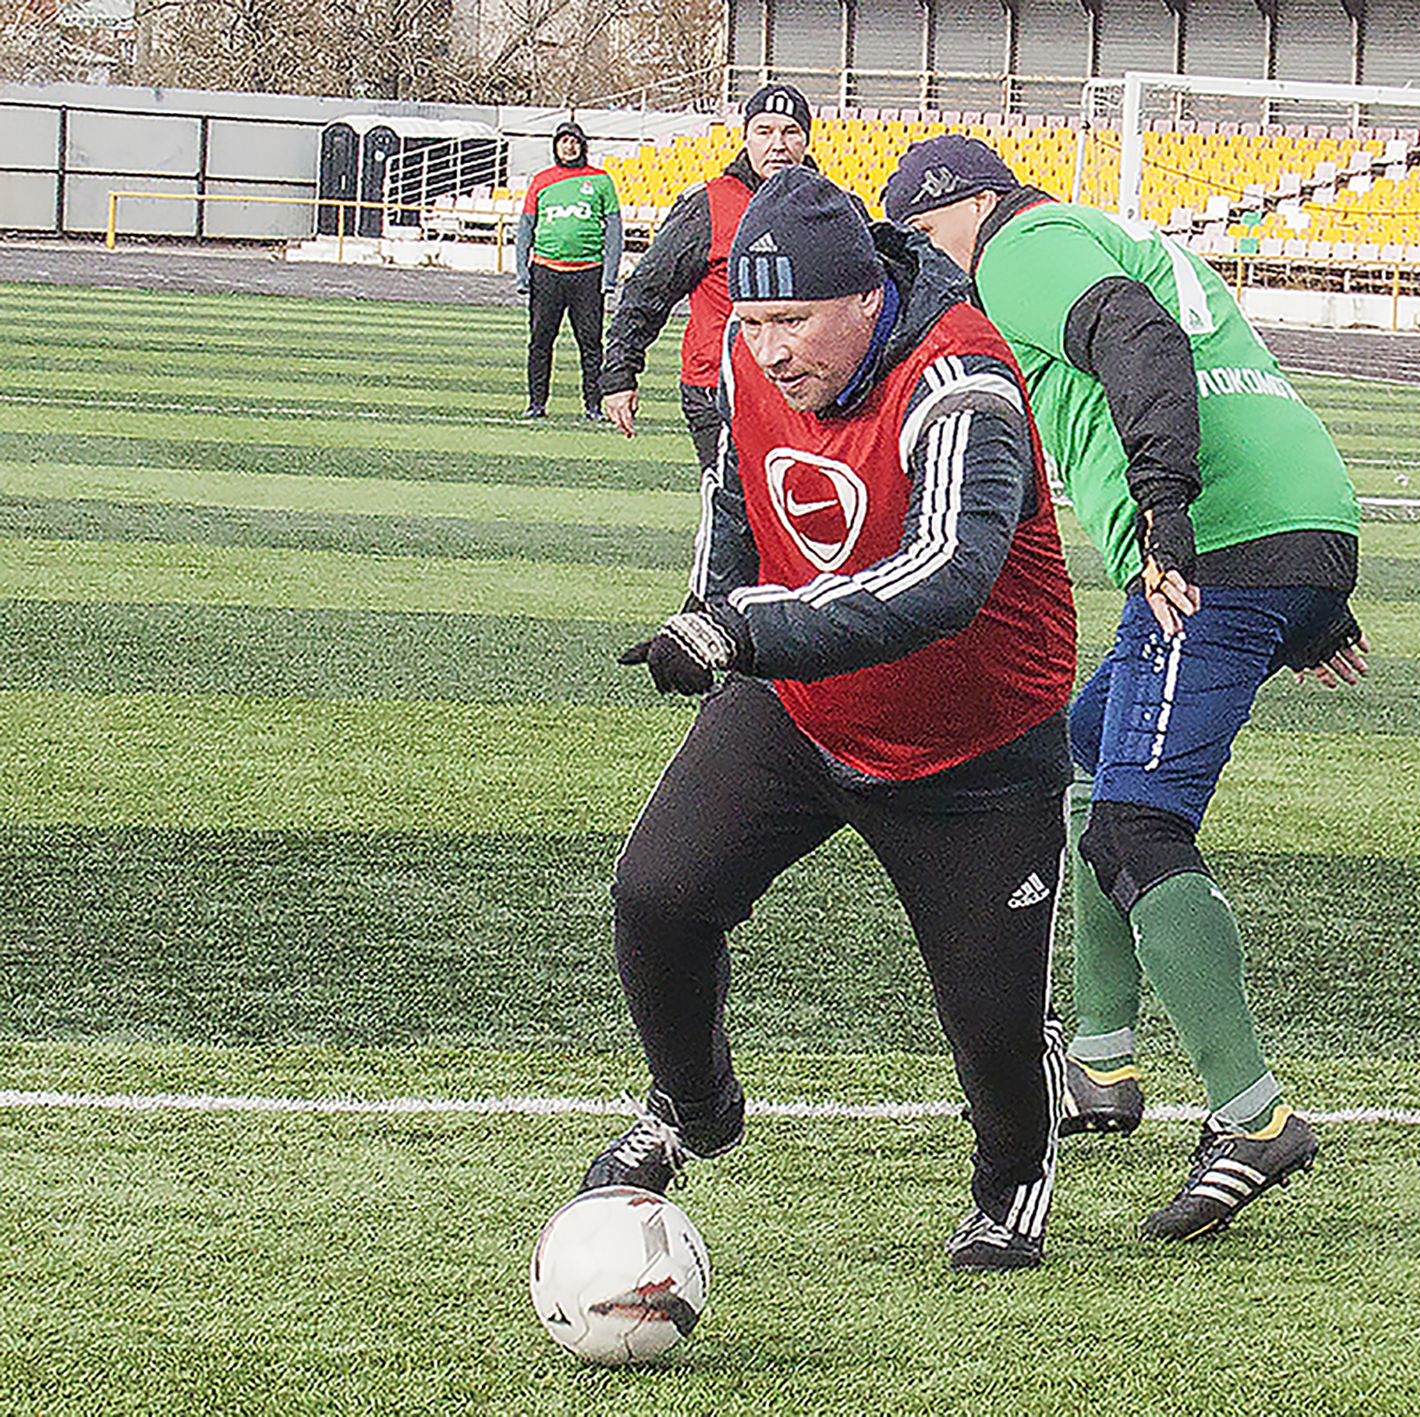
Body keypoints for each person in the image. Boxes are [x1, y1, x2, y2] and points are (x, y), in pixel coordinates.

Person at [583, 167, 1081, 1274]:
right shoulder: (742, 355)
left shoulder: (962, 381)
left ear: (866, 296)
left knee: (993, 1026)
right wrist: (710, 613)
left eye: (794, 321)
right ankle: (693, 1105)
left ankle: (1011, 1180)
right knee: (658, 893)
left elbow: (946, 576)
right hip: (800, 705)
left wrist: (743, 630)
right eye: (753, 320)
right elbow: (735, 497)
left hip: (975, 744)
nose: (767, 349)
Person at [882, 134, 1368, 1242]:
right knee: (1090, 747)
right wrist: (1305, 586)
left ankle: (1252, 1115)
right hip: (1293, 523)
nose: (928, 266)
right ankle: (1101, 1059)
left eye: (922, 239)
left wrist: (1164, 507)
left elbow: (1135, 335)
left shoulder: (1022, 246)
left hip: (1219, 546)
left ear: (966, 207)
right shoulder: (1102, 232)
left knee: (1137, 829)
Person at [598, 84, 818, 470]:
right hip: (718, 389)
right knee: (734, 502)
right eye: (764, 131)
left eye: (790, 132)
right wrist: (619, 373)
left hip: (803, 388)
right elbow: (647, 291)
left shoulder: (831, 206)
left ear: (806, 140)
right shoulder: (709, 205)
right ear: (746, 137)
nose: (777, 144)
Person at [514, 120, 621, 421]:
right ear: (555, 146)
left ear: (582, 145)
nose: (569, 147)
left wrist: (609, 277)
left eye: (574, 141)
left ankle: (593, 406)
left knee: (591, 343)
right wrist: (522, 273)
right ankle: (537, 403)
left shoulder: (601, 180)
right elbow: (525, 229)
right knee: (540, 341)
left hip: (588, 274)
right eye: (563, 141)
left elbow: (614, 230)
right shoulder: (541, 180)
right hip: (546, 273)